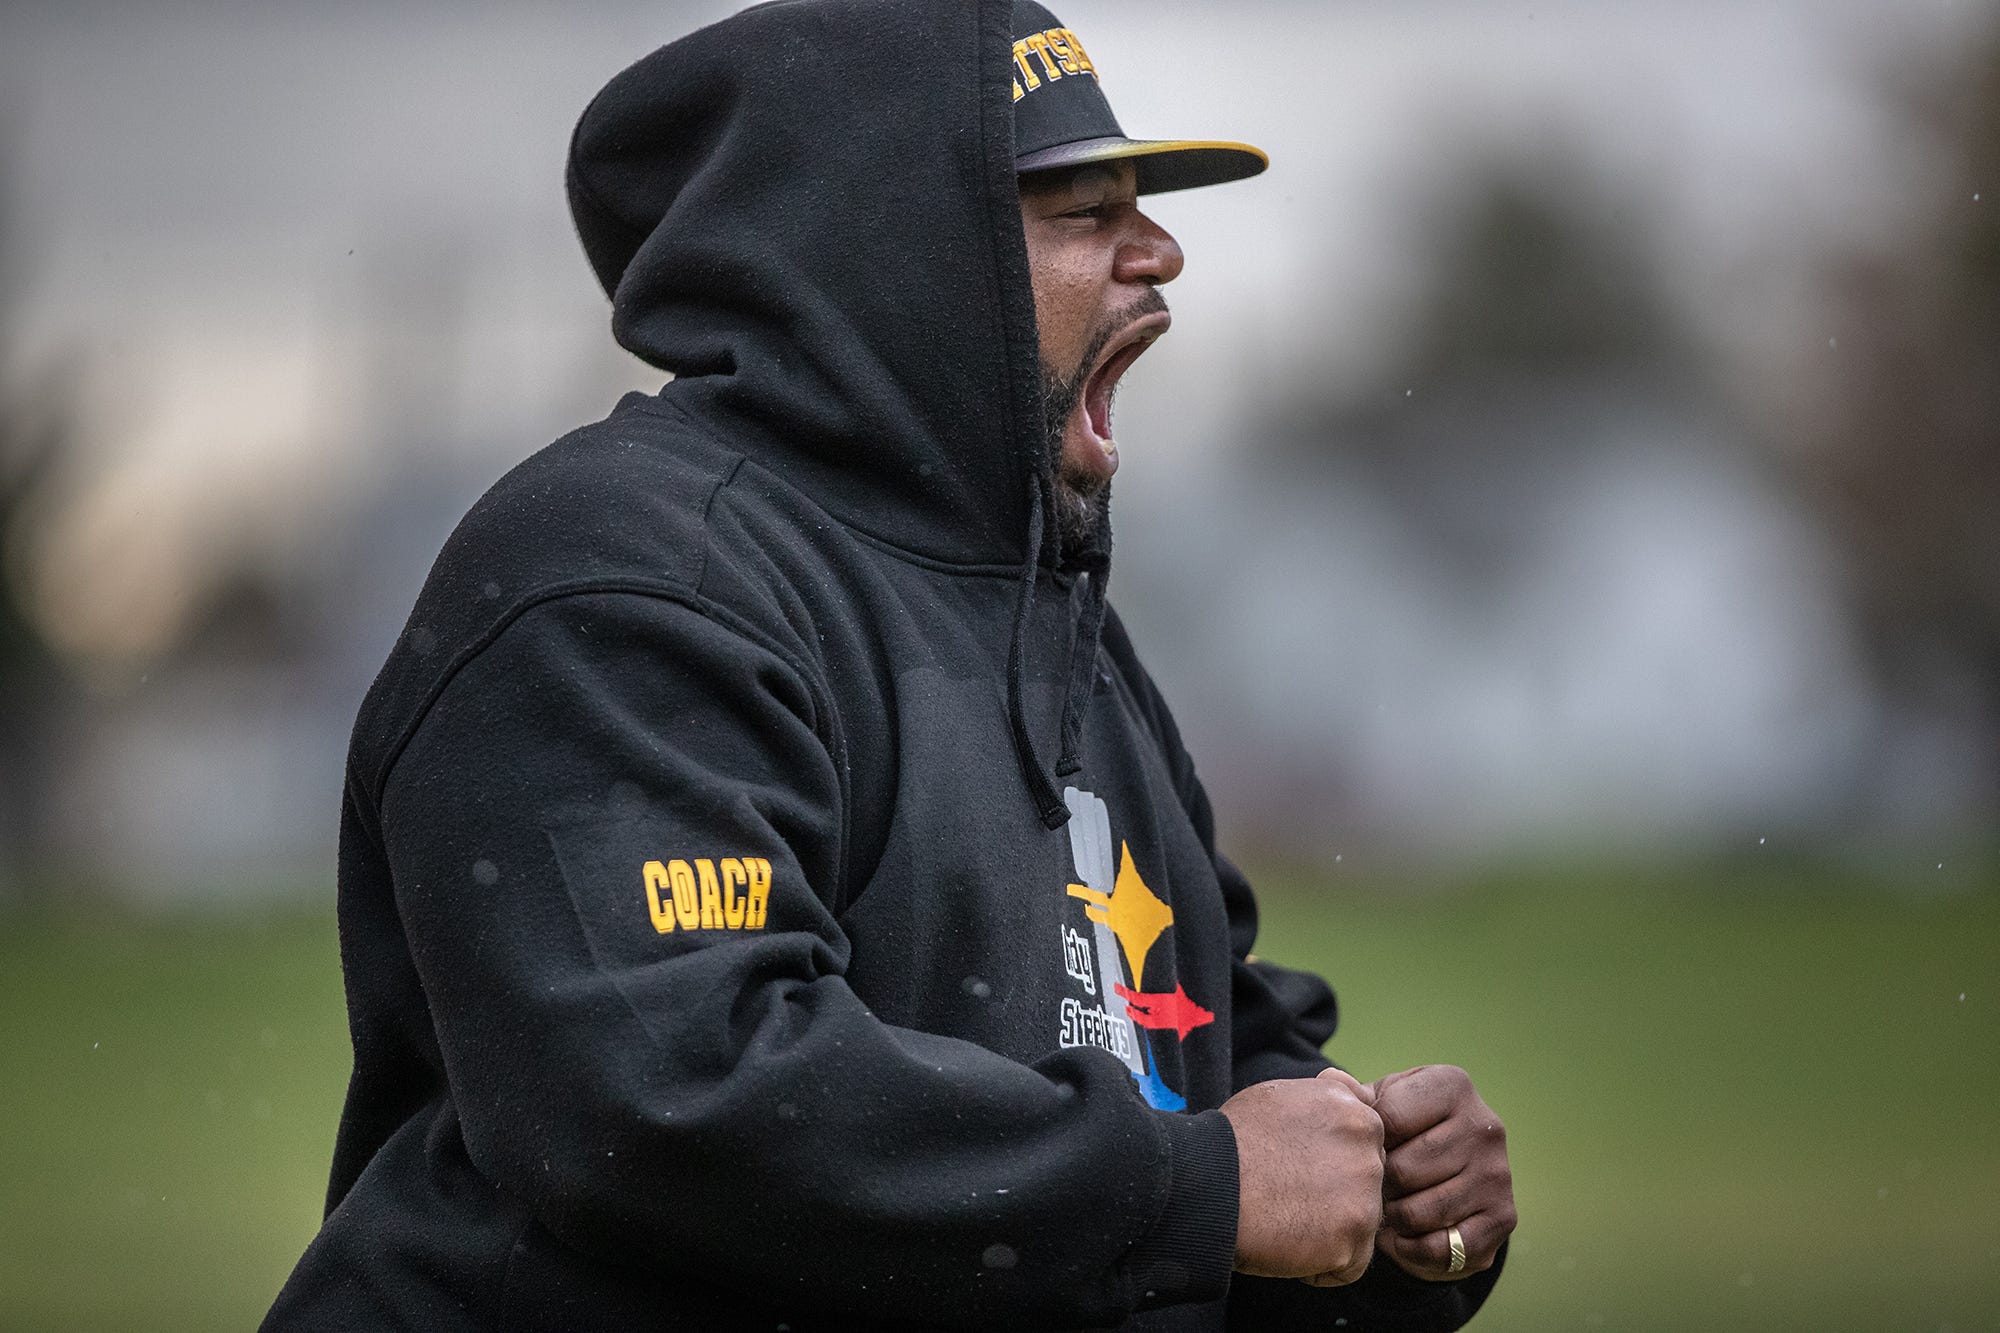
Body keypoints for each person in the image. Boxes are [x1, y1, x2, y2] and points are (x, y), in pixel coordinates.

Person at [265, 2, 1515, 1329]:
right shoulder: (626, 574)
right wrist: (1198, 1186)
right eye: (1088, 213)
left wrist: (1390, 1203)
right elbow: (682, 1100)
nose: (1162, 250)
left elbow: (1185, 1048)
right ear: (899, 254)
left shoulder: (1053, 617)